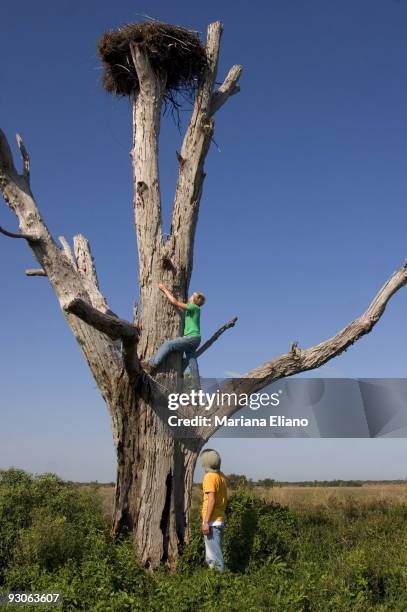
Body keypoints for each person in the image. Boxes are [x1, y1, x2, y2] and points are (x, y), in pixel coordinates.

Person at [145, 283, 205, 386]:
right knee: (192, 362)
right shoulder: (194, 310)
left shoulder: (193, 307)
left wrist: (164, 289)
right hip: (195, 339)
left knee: (168, 344)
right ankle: (197, 388)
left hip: (191, 338)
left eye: (192, 295)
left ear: (194, 300)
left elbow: (174, 302)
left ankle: (151, 365)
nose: (190, 296)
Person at [200, 448, 227, 572]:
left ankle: (219, 586)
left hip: (212, 522)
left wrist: (206, 522)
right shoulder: (221, 476)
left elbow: (211, 500)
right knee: (215, 553)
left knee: (214, 557)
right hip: (219, 520)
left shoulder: (209, 477)